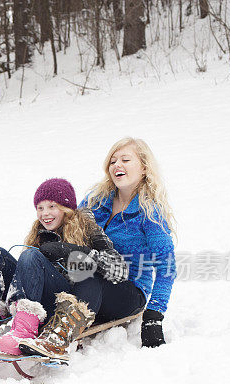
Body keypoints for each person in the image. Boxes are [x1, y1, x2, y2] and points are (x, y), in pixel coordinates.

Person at [0, 178, 130, 359]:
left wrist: (73, 251)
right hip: (39, 296)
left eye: (52, 206)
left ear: (66, 208)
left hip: (65, 303)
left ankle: (23, 333)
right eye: (40, 208)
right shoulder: (38, 233)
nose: (45, 214)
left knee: (30, 256)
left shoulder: (88, 229)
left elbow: (119, 270)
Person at [76, 137, 177, 350]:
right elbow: (70, 231)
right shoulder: (95, 201)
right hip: (87, 279)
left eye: (125, 160)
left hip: (128, 291)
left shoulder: (150, 213)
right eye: (112, 161)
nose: (117, 165)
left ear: (143, 168)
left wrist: (154, 315)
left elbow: (166, 266)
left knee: (87, 281)